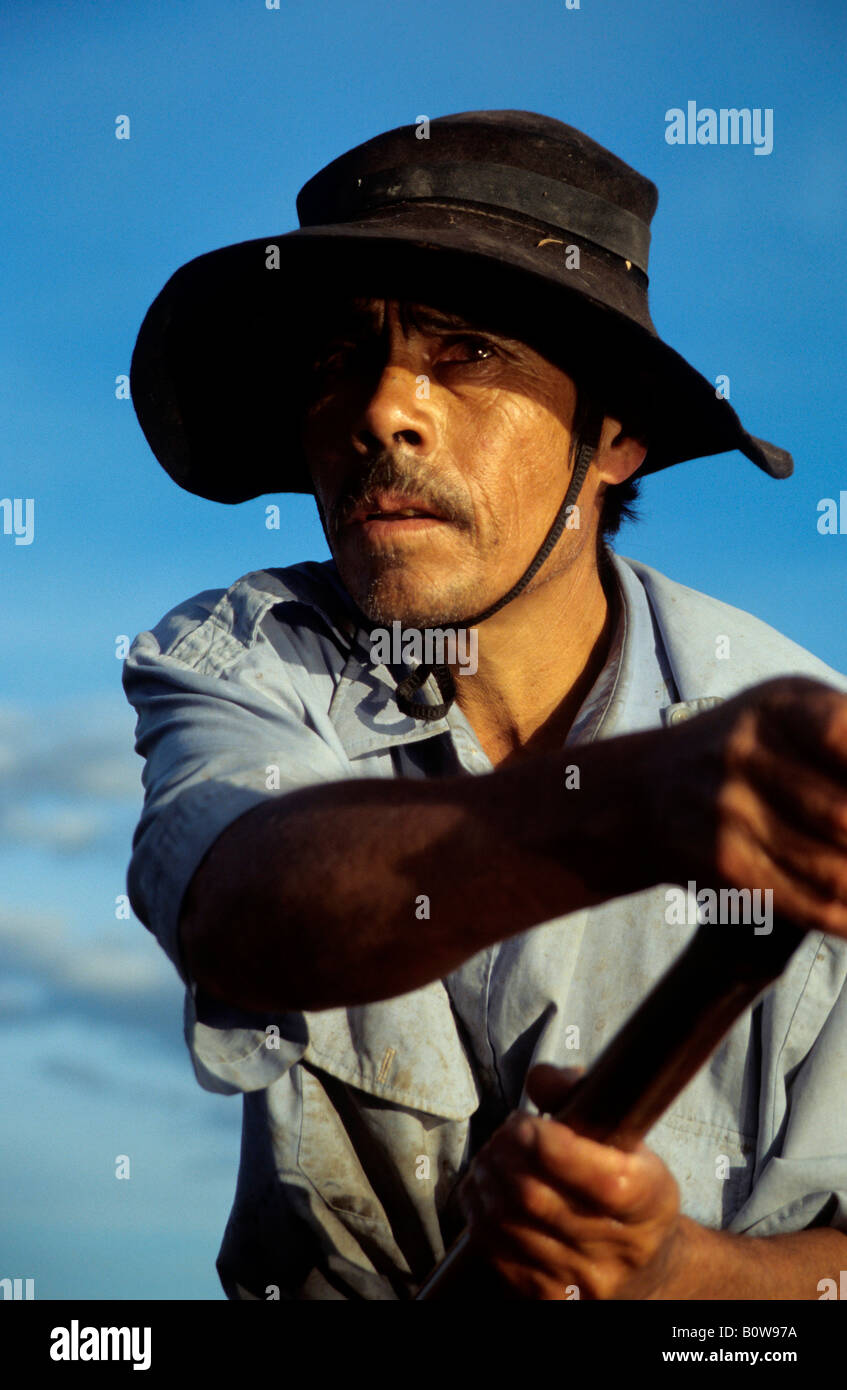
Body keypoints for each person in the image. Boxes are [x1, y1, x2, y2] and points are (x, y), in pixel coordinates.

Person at [124, 110, 847, 1301]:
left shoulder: (805, 760)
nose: (380, 412)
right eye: (336, 364)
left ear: (614, 437)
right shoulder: (252, 652)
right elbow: (241, 913)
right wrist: (643, 808)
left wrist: (669, 1272)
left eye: (466, 352)